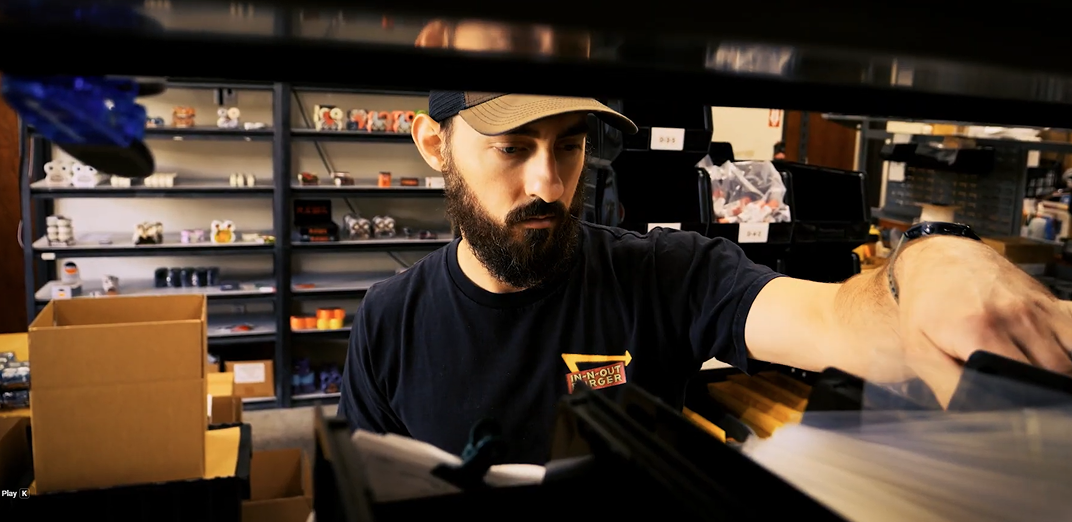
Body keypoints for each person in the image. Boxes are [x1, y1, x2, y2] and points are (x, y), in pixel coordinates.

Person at [337, 91, 1072, 463]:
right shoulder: (388, 322)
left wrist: (935, 259)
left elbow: (833, 319)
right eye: (512, 148)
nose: (550, 184)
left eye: (569, 146)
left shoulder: (662, 273)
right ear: (434, 143)